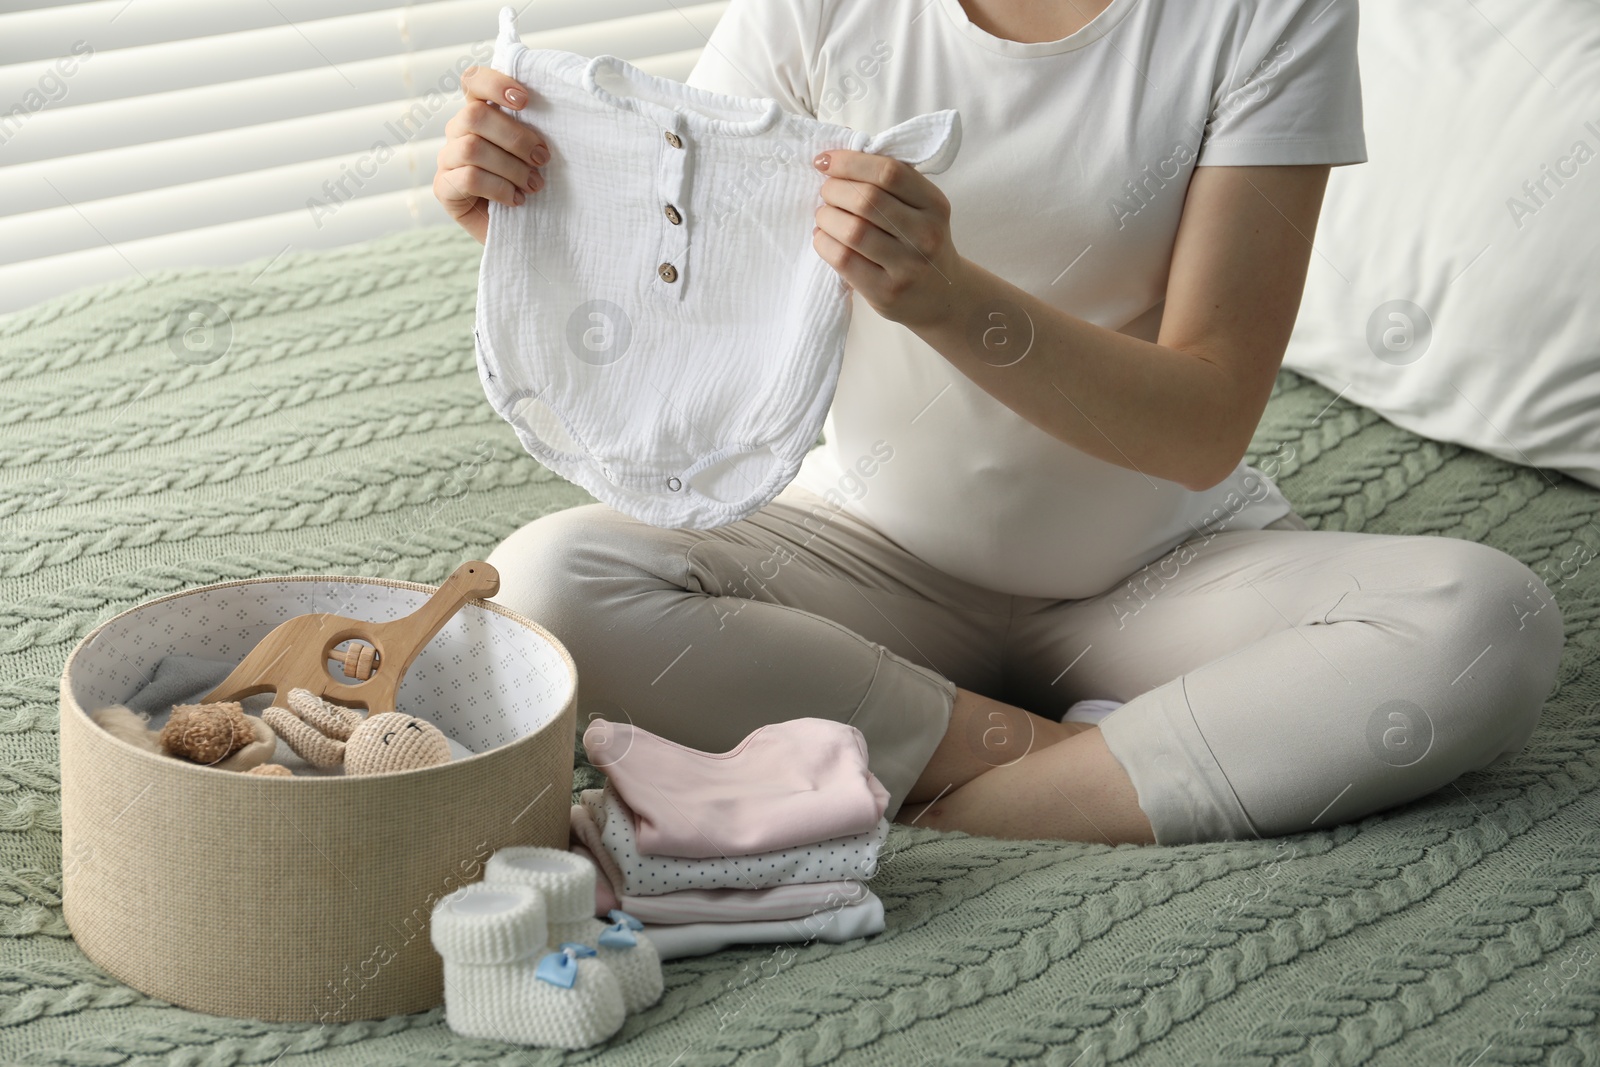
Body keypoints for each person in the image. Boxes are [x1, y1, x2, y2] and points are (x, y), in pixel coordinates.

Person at [432, 0, 1564, 847]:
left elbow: (1204, 421)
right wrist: (538, 232)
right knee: (544, 583)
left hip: (1160, 574)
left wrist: (948, 297)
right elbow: (703, 307)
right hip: (868, 549)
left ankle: (941, 792)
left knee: (1487, 620)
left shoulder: (1266, 13)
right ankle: (1094, 761)